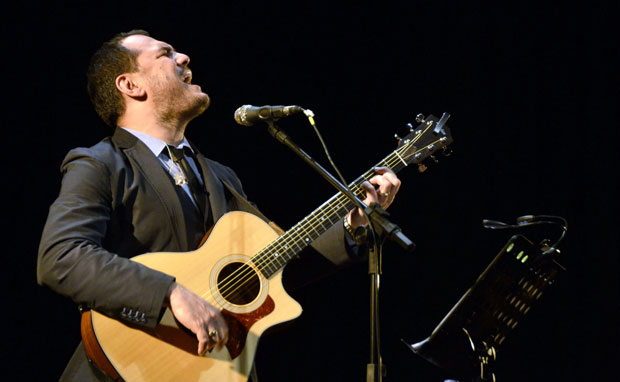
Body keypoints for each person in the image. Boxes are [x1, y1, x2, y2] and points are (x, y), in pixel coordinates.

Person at [37, 30, 401, 381]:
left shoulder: (221, 175)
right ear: (132, 86)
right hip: (129, 369)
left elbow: (274, 267)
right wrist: (170, 293)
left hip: (215, 370)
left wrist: (353, 226)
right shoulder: (100, 163)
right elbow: (61, 256)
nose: (184, 57)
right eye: (165, 54)